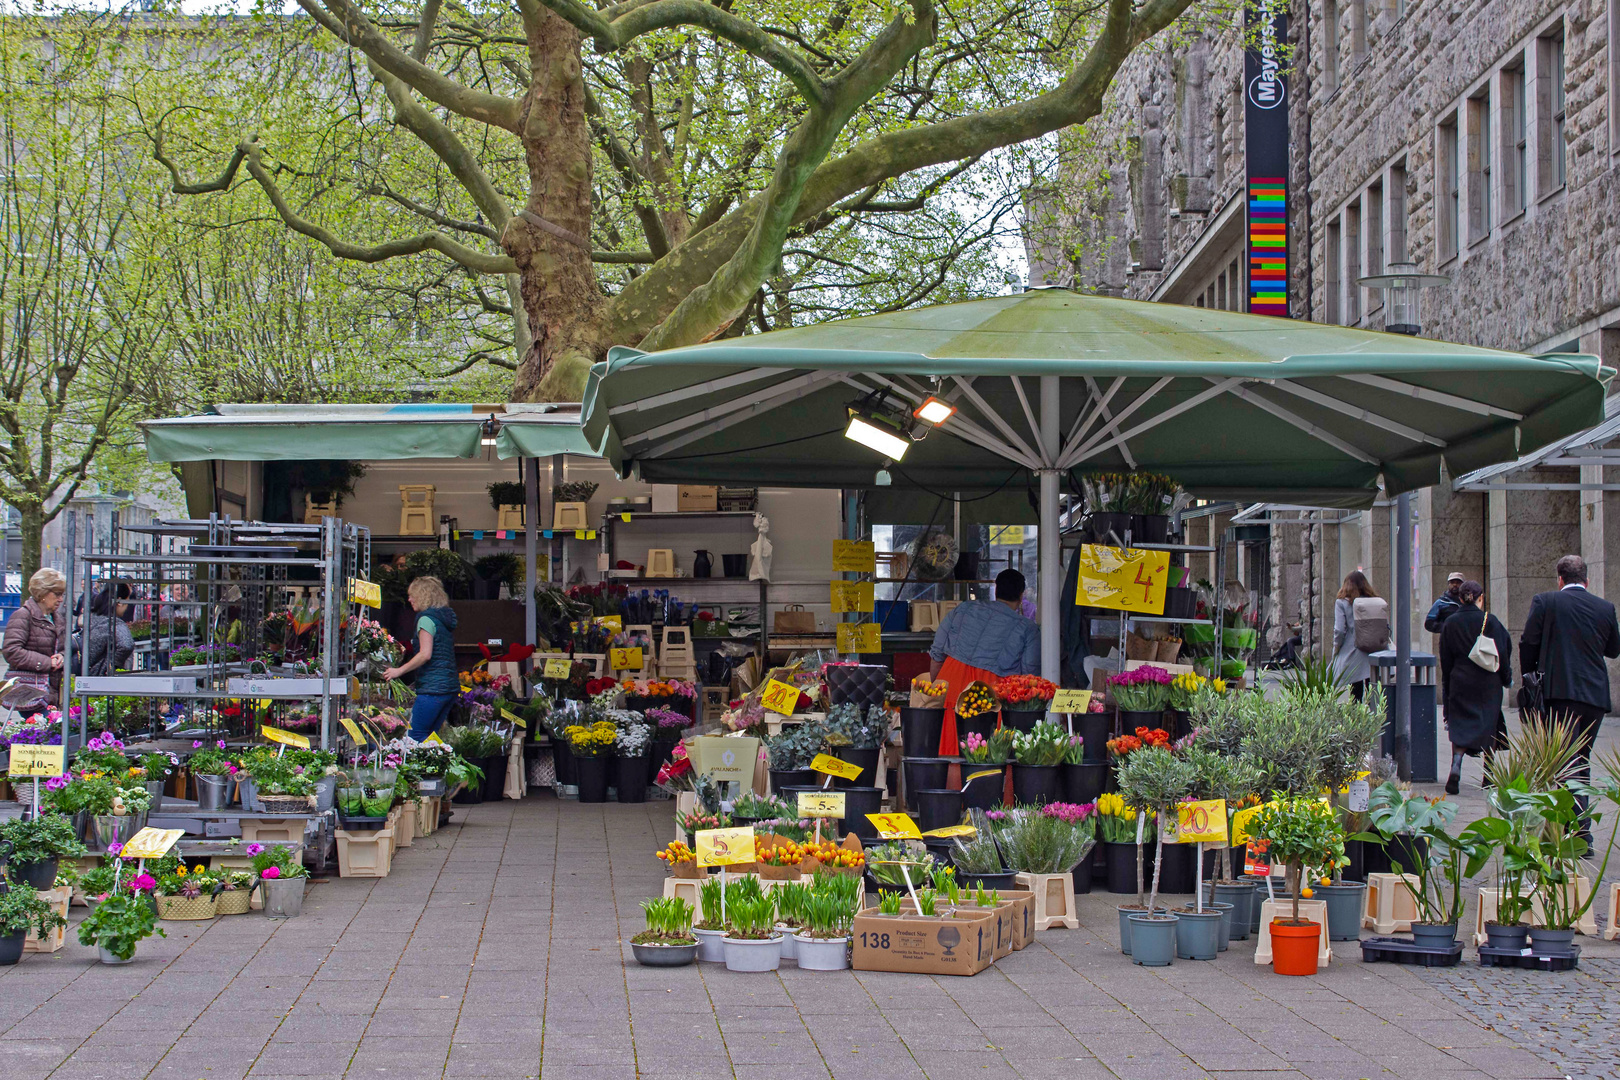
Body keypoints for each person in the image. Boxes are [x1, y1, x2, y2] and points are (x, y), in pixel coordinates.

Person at [1519, 554, 1620, 834]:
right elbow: (1613, 649)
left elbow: (1528, 642)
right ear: (1586, 580)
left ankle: (1578, 832)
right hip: (1594, 698)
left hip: (1559, 694)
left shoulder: (1546, 601)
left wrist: (1530, 678)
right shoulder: (1605, 607)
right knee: (1580, 758)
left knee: (1563, 760)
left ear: (1559, 578)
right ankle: (1575, 828)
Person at [928, 568, 1040, 754]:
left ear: (996, 591)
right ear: (1021, 596)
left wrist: (936, 688)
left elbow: (937, 652)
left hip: (951, 683)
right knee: (984, 756)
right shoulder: (1027, 628)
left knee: (948, 751)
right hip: (990, 693)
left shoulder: (963, 608)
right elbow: (1029, 675)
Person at [1438, 581, 1512, 795]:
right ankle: (1488, 774)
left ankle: (1456, 763)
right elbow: (1503, 652)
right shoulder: (1491, 621)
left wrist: (1449, 686)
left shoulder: (1450, 623)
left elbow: (1446, 660)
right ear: (1481, 597)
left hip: (1460, 680)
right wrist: (1506, 678)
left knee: (1459, 724)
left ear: (1460, 598)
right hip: (1488, 683)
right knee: (1489, 724)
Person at [381, 575, 461, 742]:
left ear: (423, 595)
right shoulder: (442, 619)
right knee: (431, 738)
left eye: (412, 595)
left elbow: (425, 654)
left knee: (415, 736)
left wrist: (398, 671)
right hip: (449, 687)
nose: (409, 599)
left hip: (433, 689)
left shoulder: (425, 619)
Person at [3, 568, 67, 707]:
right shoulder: (23, 616)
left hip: (51, 690)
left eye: (62, 595)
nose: (61, 599)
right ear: (43, 593)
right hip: (30, 691)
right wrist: (46, 662)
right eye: (57, 594)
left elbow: (63, 648)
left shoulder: (58, 618)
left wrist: (62, 657)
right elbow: (11, 651)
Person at [1332, 570, 1378, 700]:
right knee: (1373, 691)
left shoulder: (1342, 603)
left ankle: (1358, 718)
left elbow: (1339, 630)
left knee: (1355, 691)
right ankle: (1375, 716)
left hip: (1353, 650)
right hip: (1373, 650)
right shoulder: (1375, 601)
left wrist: (1336, 646)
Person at [81, 580, 135, 676]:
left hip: (86, 675)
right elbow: (127, 644)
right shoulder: (115, 623)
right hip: (103, 679)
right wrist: (113, 665)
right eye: (127, 601)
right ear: (119, 602)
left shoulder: (92, 618)